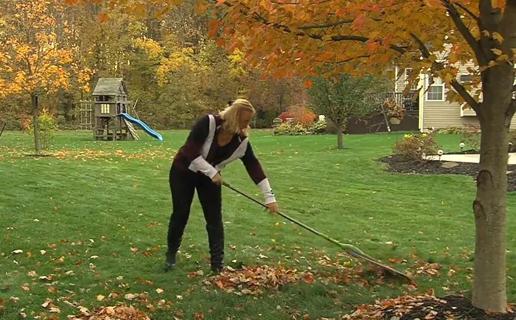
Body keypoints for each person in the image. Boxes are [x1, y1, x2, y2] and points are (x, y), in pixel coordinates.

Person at [165, 99, 279, 273]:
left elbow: (254, 167)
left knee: (214, 220)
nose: (247, 125)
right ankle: (171, 255)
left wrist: (269, 198)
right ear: (234, 117)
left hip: (210, 179)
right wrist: (212, 172)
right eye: (244, 121)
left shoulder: (241, 142)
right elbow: (190, 150)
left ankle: (217, 265)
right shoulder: (208, 123)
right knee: (181, 213)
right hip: (183, 171)